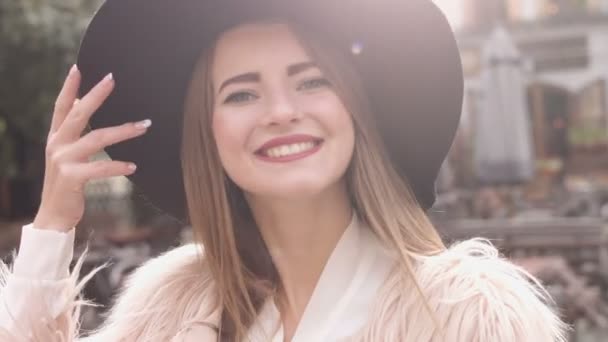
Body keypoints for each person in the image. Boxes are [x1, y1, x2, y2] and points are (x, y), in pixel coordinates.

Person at [0, 0, 569, 341]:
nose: (281, 112)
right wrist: (52, 225)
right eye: (242, 94)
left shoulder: (468, 317)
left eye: (312, 81)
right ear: (208, 133)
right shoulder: (170, 311)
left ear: (355, 110)